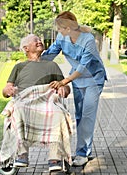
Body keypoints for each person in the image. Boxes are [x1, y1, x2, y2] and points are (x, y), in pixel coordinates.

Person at [42, 11, 107, 166]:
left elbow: (83, 67)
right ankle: (84, 150)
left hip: (93, 79)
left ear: (68, 28)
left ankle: (82, 153)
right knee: (79, 115)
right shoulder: (61, 38)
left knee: (87, 115)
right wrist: (35, 60)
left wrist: (64, 81)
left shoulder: (88, 40)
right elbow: (50, 54)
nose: (58, 31)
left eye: (60, 28)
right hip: (78, 81)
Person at [2, 34, 71, 171]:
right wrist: (8, 90)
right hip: (25, 99)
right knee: (18, 109)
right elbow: (5, 90)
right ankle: (22, 154)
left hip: (46, 99)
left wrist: (63, 88)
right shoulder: (19, 67)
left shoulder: (52, 65)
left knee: (58, 112)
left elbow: (65, 87)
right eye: (36, 40)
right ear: (26, 48)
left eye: (40, 39)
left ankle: (54, 157)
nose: (40, 41)